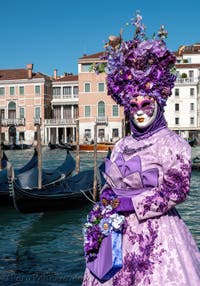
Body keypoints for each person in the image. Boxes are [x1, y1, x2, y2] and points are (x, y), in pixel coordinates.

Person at [82, 13, 200, 285]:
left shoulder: (174, 144)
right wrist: (108, 200)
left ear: (158, 104)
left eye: (146, 104)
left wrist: (131, 203)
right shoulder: (121, 144)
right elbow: (111, 183)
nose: (139, 112)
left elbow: (177, 190)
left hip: (157, 235)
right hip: (117, 234)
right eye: (133, 106)